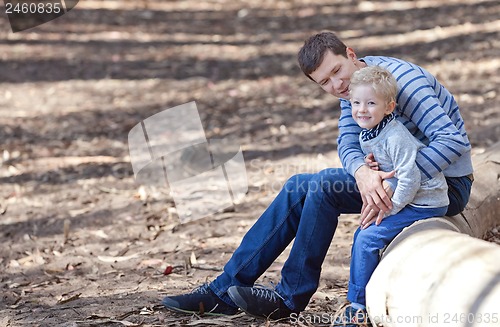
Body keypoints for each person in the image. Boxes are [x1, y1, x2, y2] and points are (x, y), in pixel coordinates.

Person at [161, 31, 474, 322]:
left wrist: (391, 186)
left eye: (337, 71)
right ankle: (224, 291)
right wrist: (363, 173)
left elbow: (452, 140)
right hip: (396, 180)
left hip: (444, 184)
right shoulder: (354, 90)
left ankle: (289, 298)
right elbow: (348, 144)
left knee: (324, 184)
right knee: (300, 186)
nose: (336, 85)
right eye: (324, 82)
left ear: (351, 54)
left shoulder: (400, 81)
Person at [342, 65, 449, 324]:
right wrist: (373, 164)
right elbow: (393, 165)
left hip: (425, 200)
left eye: (370, 103)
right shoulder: (372, 129)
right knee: (363, 233)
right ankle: (363, 291)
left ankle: (357, 306)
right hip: (409, 195)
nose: (362, 109)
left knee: (367, 238)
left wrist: (389, 208)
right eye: (356, 102)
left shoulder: (395, 135)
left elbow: (411, 177)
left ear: (389, 107)